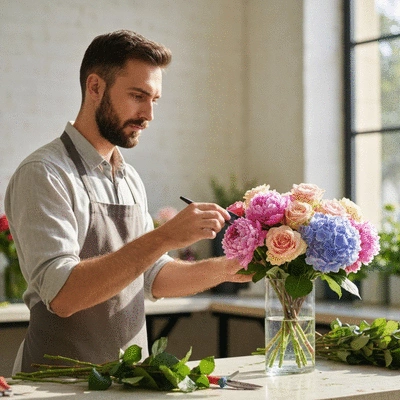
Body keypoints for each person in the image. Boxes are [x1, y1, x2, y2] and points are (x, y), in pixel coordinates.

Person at [4, 30, 252, 373]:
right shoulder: (44, 173)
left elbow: (151, 276)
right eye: (137, 96)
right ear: (95, 88)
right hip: (55, 383)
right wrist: (166, 235)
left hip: (127, 380)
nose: (148, 114)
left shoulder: (129, 178)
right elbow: (63, 296)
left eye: (155, 99)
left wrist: (230, 267)